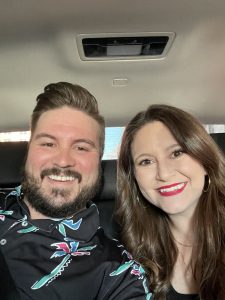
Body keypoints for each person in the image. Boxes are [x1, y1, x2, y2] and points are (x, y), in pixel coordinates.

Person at [0, 82, 151, 300]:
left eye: (81, 147)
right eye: (48, 144)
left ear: (99, 162)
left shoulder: (121, 276)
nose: (63, 161)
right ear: (29, 149)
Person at [116, 104, 225, 299]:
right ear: (134, 178)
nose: (164, 174)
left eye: (176, 153)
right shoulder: (126, 251)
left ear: (205, 160)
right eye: (146, 161)